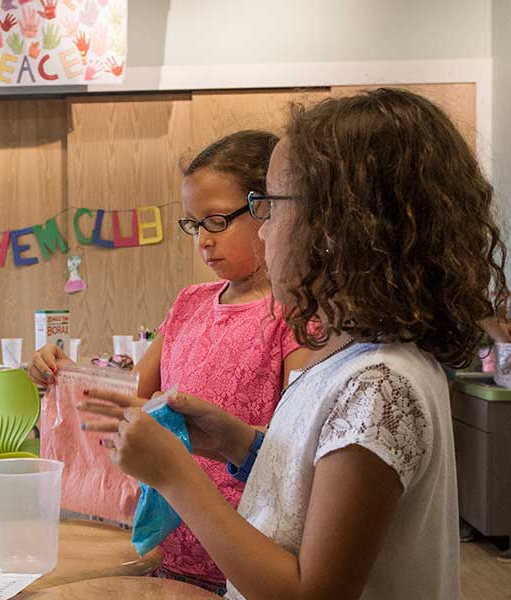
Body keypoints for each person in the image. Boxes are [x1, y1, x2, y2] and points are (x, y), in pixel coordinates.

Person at [79, 88, 507, 599]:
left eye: (270, 207)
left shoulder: (379, 387)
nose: (262, 234)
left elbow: (310, 593)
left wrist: (174, 474)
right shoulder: (353, 363)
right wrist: (237, 442)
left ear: (339, 227)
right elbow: (312, 484)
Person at [30, 131, 310, 593]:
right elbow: (127, 402)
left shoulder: (293, 315)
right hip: (160, 545)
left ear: (268, 210)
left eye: (217, 221)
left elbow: (294, 452)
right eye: (192, 224)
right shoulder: (189, 304)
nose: (202, 240)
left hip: (247, 557)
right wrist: (64, 376)